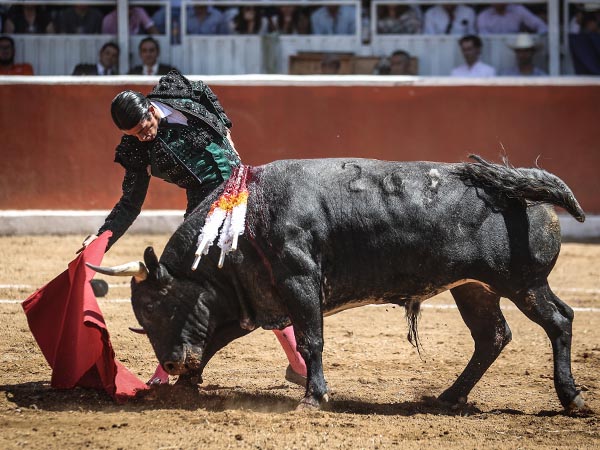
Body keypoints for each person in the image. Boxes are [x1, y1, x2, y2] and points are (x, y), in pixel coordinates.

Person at [79, 69, 307, 386]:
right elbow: (130, 203)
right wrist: (102, 238)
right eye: (134, 133)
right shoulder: (136, 149)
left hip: (243, 189)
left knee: (261, 280)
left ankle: (301, 366)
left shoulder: (176, 92)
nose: (143, 135)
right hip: (204, 208)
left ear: (149, 107)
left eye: (144, 125)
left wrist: (227, 135)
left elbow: (206, 94)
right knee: (207, 285)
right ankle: (171, 370)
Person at [476, 3, 547, 34]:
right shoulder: (483, 16)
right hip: (492, 54)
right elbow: (484, 39)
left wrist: (532, 39)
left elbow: (542, 27)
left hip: (517, 52)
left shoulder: (518, 10)